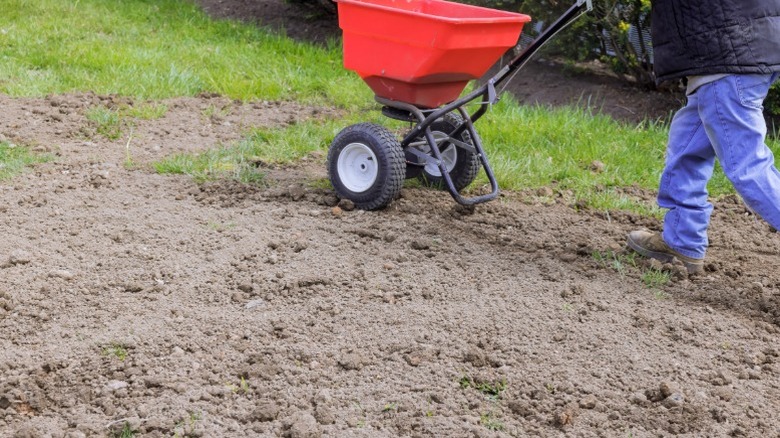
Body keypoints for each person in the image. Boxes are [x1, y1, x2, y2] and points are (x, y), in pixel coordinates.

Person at [627, 0, 780, 274]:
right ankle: (682, 238)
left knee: (747, 167)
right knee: (688, 145)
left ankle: (682, 237)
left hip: (725, 46)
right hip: (739, 39)